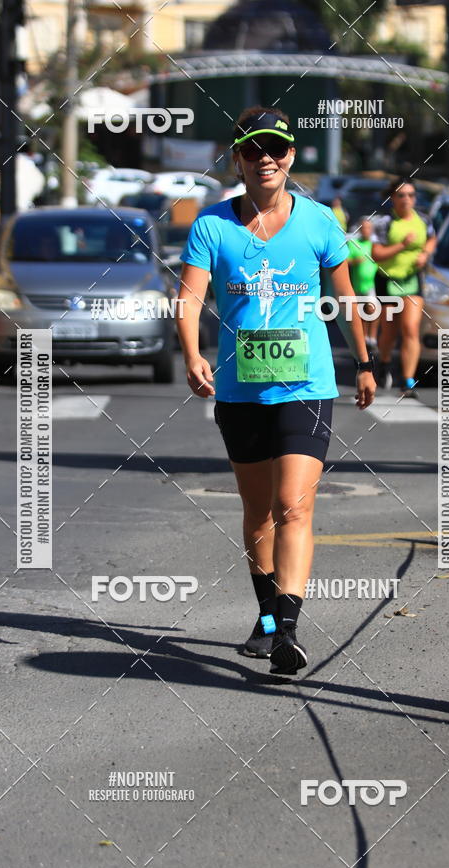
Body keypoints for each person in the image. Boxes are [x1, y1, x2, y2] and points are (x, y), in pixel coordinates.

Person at [176, 105, 375, 675]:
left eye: (276, 149)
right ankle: (266, 622)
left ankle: (287, 627)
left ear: (290, 155)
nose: (265, 158)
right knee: (258, 512)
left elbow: (345, 301)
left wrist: (364, 362)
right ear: (236, 158)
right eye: (251, 149)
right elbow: (189, 299)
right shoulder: (213, 226)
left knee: (294, 505)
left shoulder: (317, 222)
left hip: (307, 385)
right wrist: (192, 354)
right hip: (240, 390)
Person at [371, 178, 436, 398]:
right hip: (389, 280)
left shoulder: (423, 220)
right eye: (401, 195)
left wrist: (425, 254)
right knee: (389, 330)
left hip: (411, 280)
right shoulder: (384, 223)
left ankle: (408, 380)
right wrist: (402, 246)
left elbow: (431, 238)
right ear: (393, 198)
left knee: (410, 327)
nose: (407, 199)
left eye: (411, 195)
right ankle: (386, 361)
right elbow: (376, 254)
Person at [347, 218, 378, 351]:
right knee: (361, 312)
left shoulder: (375, 245)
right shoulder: (354, 244)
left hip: (371, 284)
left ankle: (373, 337)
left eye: (368, 228)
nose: (366, 230)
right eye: (364, 228)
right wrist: (355, 261)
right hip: (357, 284)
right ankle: (364, 338)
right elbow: (346, 261)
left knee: (372, 309)